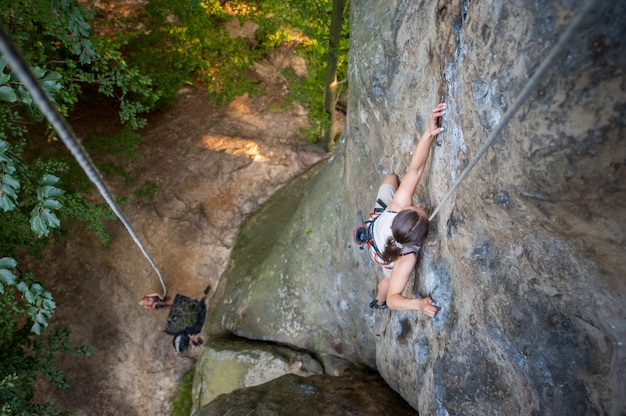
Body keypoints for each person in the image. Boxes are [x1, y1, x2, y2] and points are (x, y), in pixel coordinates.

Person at [367, 102, 446, 317]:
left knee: (391, 178)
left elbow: (415, 169)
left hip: (375, 234)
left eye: (416, 208)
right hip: (384, 253)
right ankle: (378, 300)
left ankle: (377, 301)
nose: (418, 205)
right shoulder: (406, 257)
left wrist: (429, 133)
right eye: (419, 208)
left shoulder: (399, 206)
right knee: (386, 279)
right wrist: (419, 304)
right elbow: (395, 299)